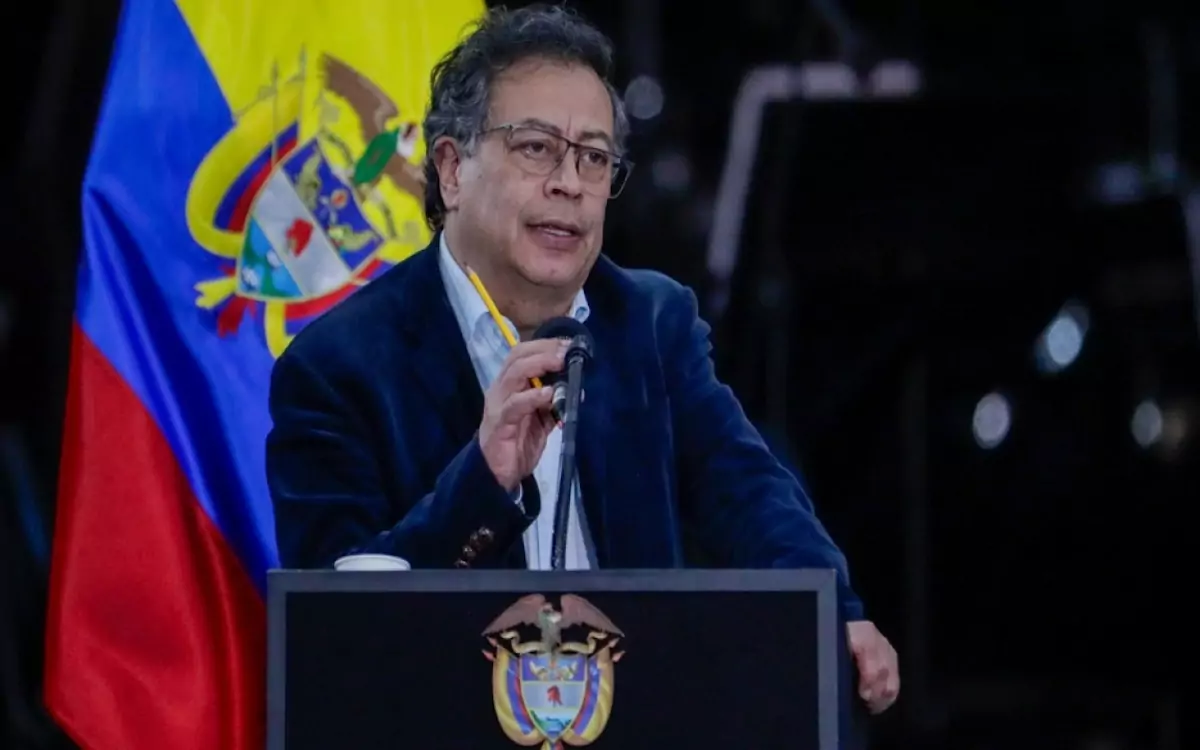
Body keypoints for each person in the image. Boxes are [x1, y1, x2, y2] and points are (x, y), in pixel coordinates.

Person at [266, 4, 899, 716]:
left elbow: (748, 492)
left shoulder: (650, 322)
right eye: (537, 148)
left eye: (594, 158)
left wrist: (835, 607)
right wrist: (482, 484)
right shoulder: (335, 367)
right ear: (450, 170)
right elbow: (336, 636)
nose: (570, 182)